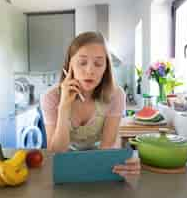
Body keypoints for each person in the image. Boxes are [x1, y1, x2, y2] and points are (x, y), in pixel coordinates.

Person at [40, 32, 140, 180]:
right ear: (69, 65)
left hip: (100, 159)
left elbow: (107, 147)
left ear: (106, 67)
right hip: (65, 163)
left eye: (98, 63)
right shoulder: (50, 97)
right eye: (82, 62)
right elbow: (56, 152)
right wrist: (64, 107)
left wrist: (124, 161)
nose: (90, 71)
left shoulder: (116, 95)